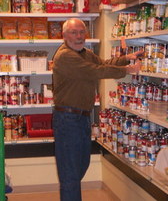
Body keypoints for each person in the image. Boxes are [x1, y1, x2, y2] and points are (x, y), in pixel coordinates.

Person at [52, 18, 142, 201]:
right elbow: (95, 71)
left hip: (82, 117)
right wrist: (127, 70)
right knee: (70, 174)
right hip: (67, 118)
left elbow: (103, 63)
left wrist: (125, 59)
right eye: (73, 32)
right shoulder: (65, 56)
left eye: (81, 32)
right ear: (64, 35)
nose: (79, 37)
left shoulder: (85, 53)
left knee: (80, 166)